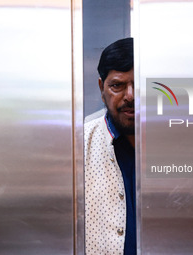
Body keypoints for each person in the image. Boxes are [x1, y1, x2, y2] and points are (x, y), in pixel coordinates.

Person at [84, 38, 136, 255]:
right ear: (101, 88)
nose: (130, 96)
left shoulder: (179, 143)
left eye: (139, 84)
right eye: (117, 85)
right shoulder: (79, 145)